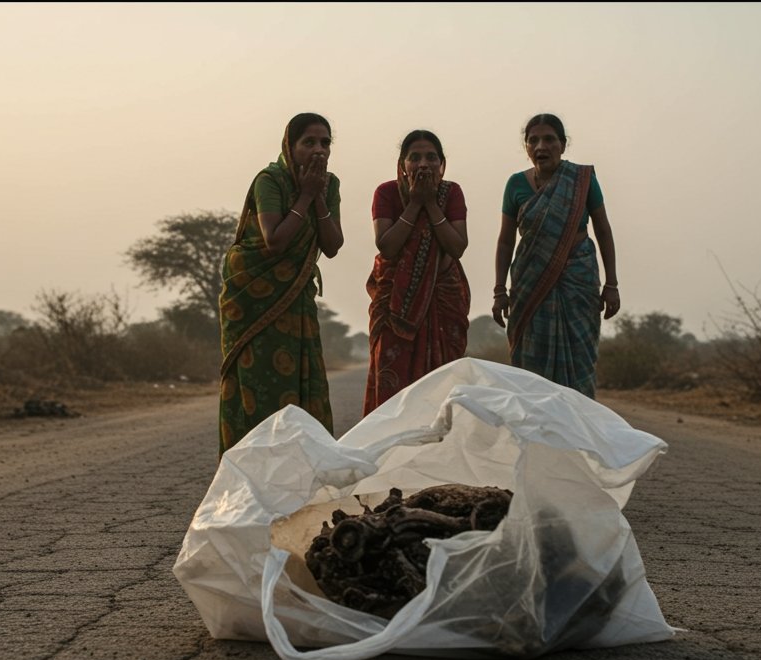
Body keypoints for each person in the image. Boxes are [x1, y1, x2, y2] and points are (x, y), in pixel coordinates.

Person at [218, 113, 344, 454]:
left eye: (325, 143)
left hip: (296, 299)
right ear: (289, 146)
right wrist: (304, 196)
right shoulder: (269, 181)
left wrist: (317, 197)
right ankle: (250, 477)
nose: (318, 150)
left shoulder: (329, 186)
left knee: (304, 385)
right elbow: (274, 240)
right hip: (254, 298)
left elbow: (332, 246)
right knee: (258, 389)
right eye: (309, 142)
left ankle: (303, 476)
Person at [492, 113, 620, 398]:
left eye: (549, 139)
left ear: (563, 145)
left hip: (579, 279)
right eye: (533, 140)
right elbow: (505, 241)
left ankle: (577, 433)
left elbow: (603, 230)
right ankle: (536, 434)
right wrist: (499, 290)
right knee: (531, 372)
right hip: (530, 283)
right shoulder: (515, 185)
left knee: (580, 361)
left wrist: (612, 284)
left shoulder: (582, 180)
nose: (541, 146)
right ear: (526, 147)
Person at [363, 129, 470, 414]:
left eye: (431, 157)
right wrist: (414, 204)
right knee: (391, 391)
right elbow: (387, 246)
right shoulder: (386, 193)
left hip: (442, 303)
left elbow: (457, 245)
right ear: (402, 165)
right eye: (415, 158)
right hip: (393, 306)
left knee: (441, 391)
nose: (423, 164)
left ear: (442, 164)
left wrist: (431, 205)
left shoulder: (452, 193)